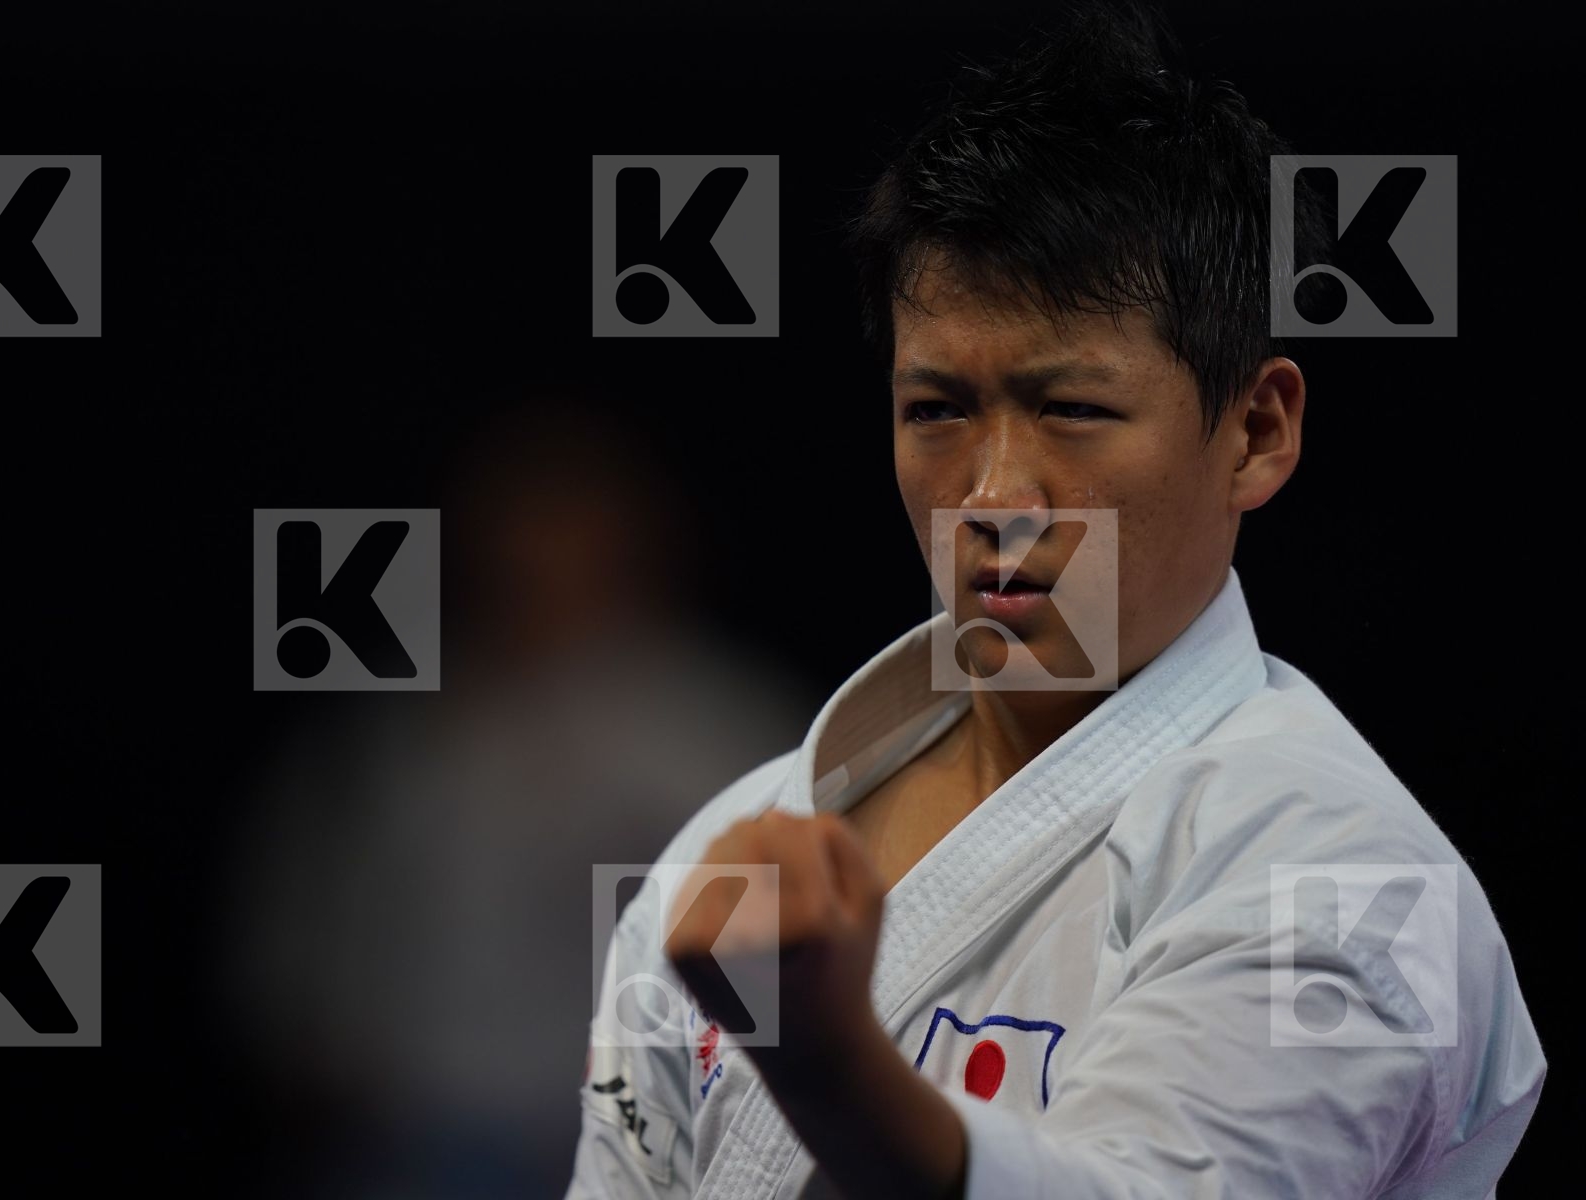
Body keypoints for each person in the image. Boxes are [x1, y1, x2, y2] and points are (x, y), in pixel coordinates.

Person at [562, 4, 1546, 1198]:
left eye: (1072, 409)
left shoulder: (1355, 886)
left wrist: (825, 1064)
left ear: (1256, 431)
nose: (993, 495)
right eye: (936, 410)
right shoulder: (725, 858)